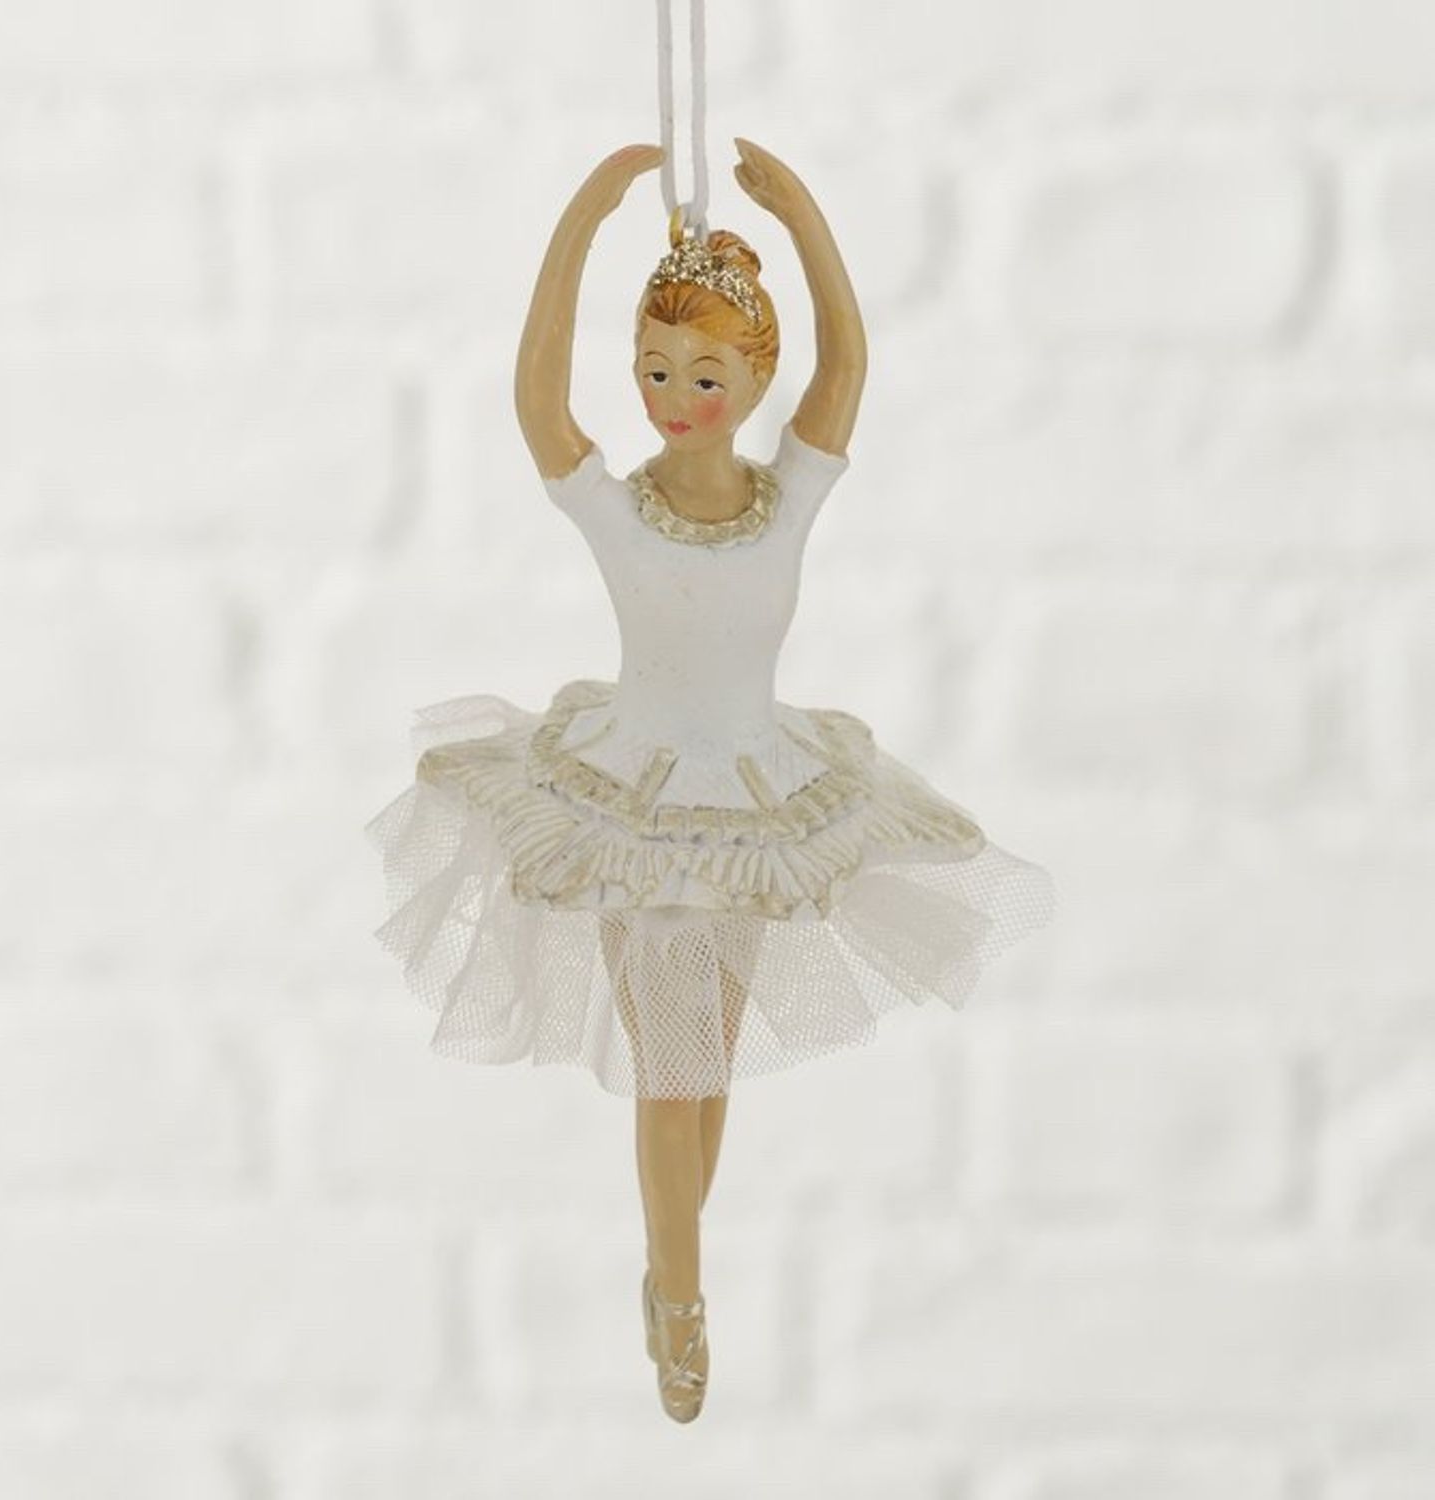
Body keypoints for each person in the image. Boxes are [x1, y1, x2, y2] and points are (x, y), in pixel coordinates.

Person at [366, 139, 1056, 1422]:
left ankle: (669, 1261)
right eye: (655, 370)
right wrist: (582, 219)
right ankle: (681, 1294)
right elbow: (536, 402)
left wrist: (806, 223)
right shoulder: (615, 511)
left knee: (711, 1057)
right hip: (629, 802)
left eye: (704, 376)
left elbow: (850, 369)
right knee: (667, 1068)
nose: (675, 396)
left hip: (758, 800)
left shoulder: (786, 501)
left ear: (750, 383)